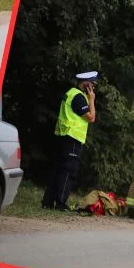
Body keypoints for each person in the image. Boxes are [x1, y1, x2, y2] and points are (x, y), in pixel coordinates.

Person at [42, 71, 99, 211]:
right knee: (68, 171)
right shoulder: (79, 98)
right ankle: (60, 204)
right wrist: (91, 99)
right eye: (92, 84)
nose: (93, 87)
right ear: (86, 84)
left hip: (63, 136)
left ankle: (48, 202)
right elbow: (91, 117)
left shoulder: (71, 93)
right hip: (72, 139)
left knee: (57, 169)